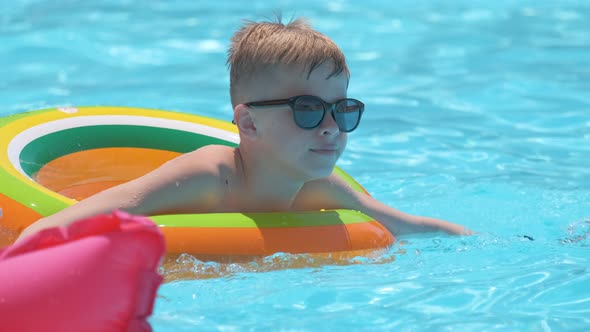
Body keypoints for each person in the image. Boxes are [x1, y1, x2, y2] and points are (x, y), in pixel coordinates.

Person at [17, 17, 471, 242]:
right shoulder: (206, 177)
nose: (332, 127)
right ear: (248, 121)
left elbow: (410, 227)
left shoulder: (319, 189)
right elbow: (69, 222)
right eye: (309, 109)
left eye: (344, 109)